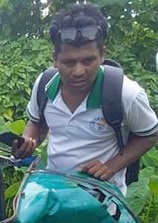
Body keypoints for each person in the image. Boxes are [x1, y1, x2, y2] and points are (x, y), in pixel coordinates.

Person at [14, 3, 158, 194]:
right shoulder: (45, 84)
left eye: (88, 61)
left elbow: (150, 134)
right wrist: (28, 141)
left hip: (103, 201)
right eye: (69, 62)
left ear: (102, 55)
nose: (78, 71)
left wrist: (111, 166)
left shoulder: (125, 93)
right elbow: (36, 123)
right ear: (55, 59)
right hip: (53, 193)